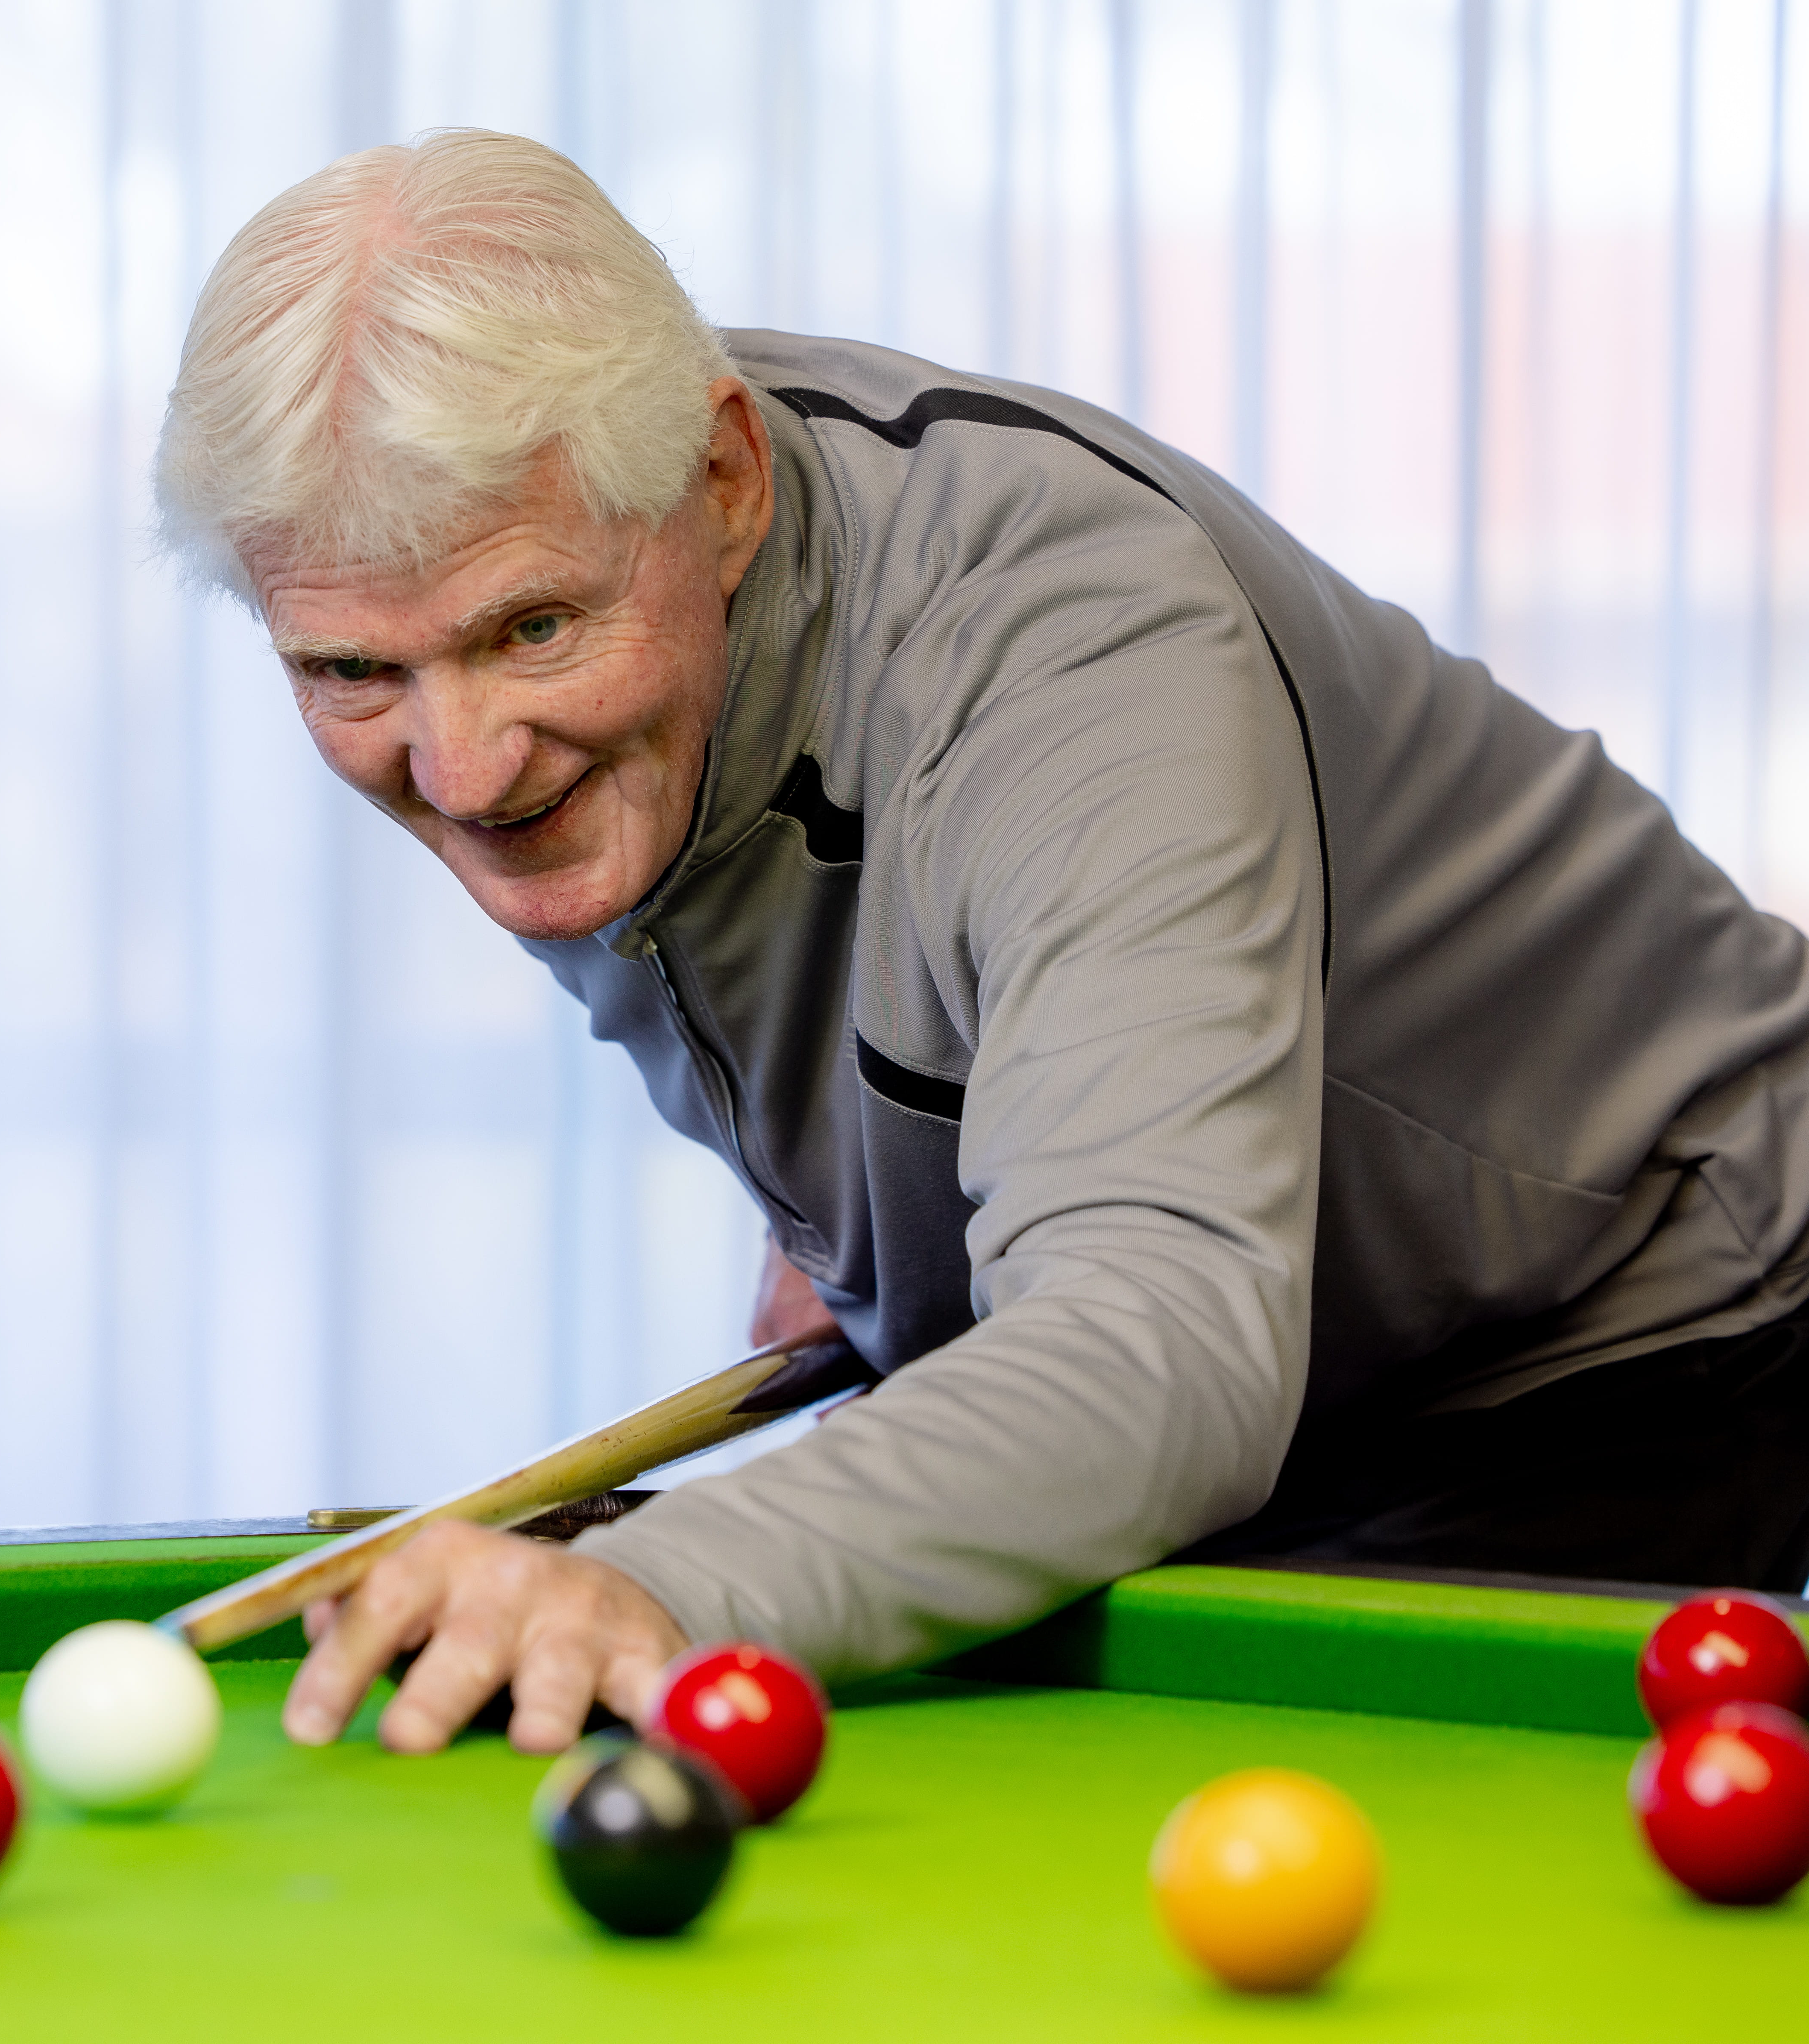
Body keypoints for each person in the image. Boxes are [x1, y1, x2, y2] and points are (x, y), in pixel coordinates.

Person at [152, 129, 1809, 1759]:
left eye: (533, 630)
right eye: (356, 673)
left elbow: (1165, 1341)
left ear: (723, 485)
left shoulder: (1073, 646)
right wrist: (889, 1186)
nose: (464, 769)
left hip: (1617, 1319)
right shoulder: (563, 537)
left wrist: (658, 1575)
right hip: (1268, 1347)